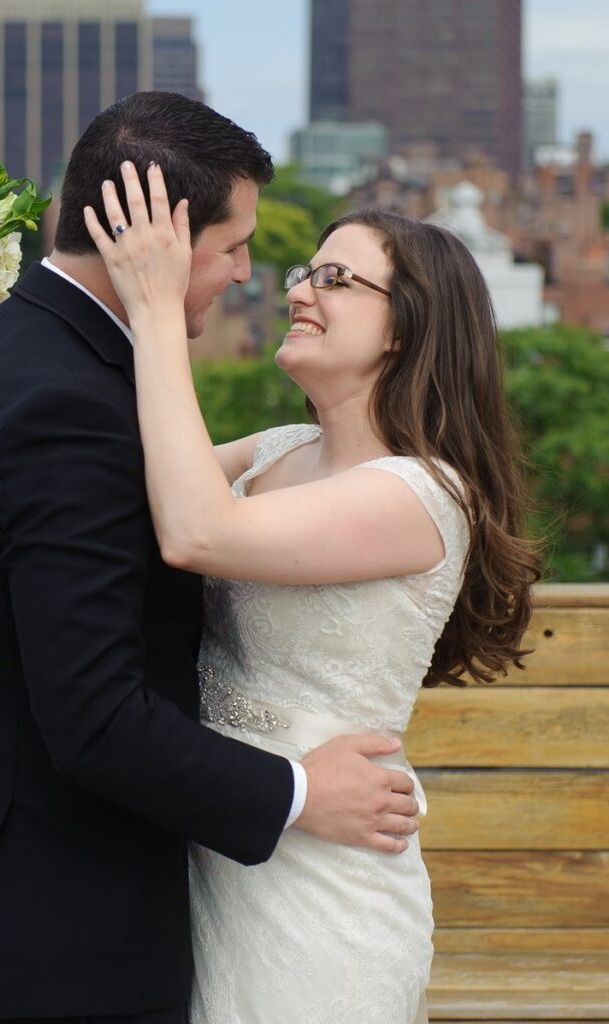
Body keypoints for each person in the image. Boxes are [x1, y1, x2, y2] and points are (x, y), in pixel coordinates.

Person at [0, 92, 421, 1024]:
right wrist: (304, 791)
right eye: (233, 247)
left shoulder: (21, 355)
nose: (247, 274)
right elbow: (97, 721)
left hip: (67, 894)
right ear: (159, 239)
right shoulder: (67, 405)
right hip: (71, 919)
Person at [74, 162, 538, 1023]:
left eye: (335, 279)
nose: (297, 291)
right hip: (222, 841)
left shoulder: (423, 495)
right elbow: (93, 495)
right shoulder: (276, 450)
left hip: (327, 889)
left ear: (406, 327)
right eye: (302, 273)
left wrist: (153, 312)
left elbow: (195, 532)